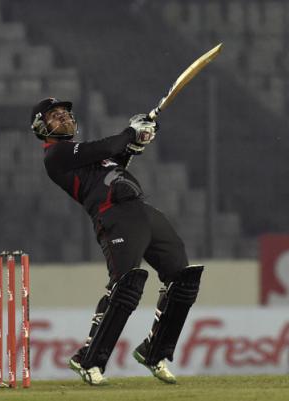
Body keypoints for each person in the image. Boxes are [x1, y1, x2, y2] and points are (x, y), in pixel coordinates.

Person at [30, 98, 203, 385]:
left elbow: (112, 162)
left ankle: (154, 352)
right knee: (126, 287)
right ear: (40, 127)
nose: (63, 118)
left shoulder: (82, 157)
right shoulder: (56, 154)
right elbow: (107, 148)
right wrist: (130, 133)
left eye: (65, 113)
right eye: (54, 116)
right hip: (113, 216)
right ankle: (88, 360)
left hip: (141, 209)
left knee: (182, 278)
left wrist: (136, 142)